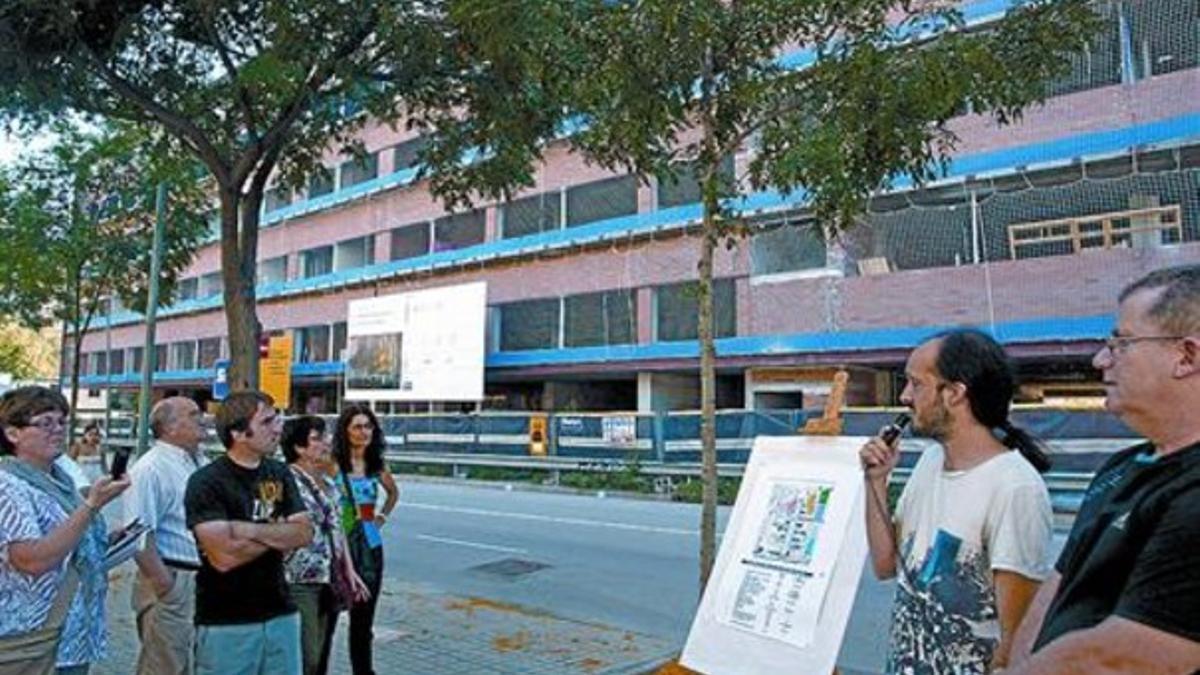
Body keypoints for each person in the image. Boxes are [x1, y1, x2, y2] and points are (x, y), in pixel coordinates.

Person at [1008, 265, 1200, 673]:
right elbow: (1060, 584)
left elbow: (1131, 655)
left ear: (1187, 356)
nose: (1100, 360)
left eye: (1121, 344)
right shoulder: (1122, 467)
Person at [860, 329, 1054, 673]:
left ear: (954, 393)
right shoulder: (930, 462)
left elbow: (1016, 642)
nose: (905, 397)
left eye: (916, 384)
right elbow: (885, 565)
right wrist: (876, 482)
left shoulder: (1015, 487)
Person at [0, 386, 129, 674]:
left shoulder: (59, 479)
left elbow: (67, 542)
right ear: (13, 434)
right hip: (33, 639)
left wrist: (105, 542)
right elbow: (31, 560)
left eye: (61, 422)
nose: (57, 430)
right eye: (45, 423)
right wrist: (91, 506)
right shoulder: (8, 486)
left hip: (72, 636)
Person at [184, 391, 313, 675]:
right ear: (239, 433)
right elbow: (224, 557)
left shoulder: (279, 472)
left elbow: (304, 532)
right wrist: (278, 532)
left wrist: (246, 529)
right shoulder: (206, 482)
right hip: (227, 622)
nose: (278, 427)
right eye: (267, 421)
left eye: (277, 417)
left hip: (281, 614)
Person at [125, 396, 208, 675]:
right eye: (194, 414)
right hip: (173, 576)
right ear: (170, 426)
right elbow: (137, 534)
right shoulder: (150, 469)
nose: (203, 418)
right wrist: (166, 587)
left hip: (204, 579)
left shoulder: (199, 461)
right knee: (165, 665)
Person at [281, 415, 370, 675]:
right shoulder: (287, 481)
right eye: (317, 438)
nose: (326, 442)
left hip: (328, 577)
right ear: (299, 448)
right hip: (298, 579)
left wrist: (349, 571)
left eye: (326, 436)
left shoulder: (330, 484)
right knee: (306, 654)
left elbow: (337, 530)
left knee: (319, 652)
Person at [332, 404, 398, 675]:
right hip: (340, 543)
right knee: (332, 610)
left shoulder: (376, 464)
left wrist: (380, 519)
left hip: (370, 543)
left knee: (364, 618)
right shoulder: (333, 463)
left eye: (368, 426)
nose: (364, 432)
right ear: (345, 431)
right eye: (357, 426)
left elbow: (393, 493)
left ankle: (363, 670)